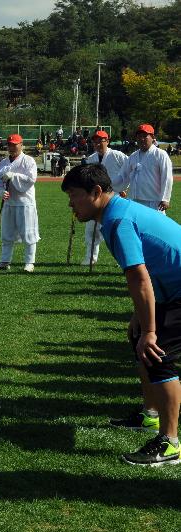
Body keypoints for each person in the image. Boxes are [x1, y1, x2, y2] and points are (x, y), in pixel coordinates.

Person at [62, 164, 181, 466]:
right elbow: (150, 269)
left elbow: (139, 277)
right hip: (172, 287)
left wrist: (151, 330)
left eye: (74, 196)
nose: (70, 204)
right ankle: (150, 414)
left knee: (157, 351)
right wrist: (139, 318)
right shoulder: (117, 213)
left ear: (96, 192)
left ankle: (170, 443)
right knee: (139, 337)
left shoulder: (118, 220)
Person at [0, 134, 39, 272]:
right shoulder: (3, 162)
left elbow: (31, 179)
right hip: (9, 203)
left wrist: (14, 176)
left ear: (21, 145)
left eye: (15, 144)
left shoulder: (28, 161)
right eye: (10, 145)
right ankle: (5, 261)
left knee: (28, 233)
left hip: (25, 202)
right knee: (7, 233)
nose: (12, 147)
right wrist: (1, 192)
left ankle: (29, 262)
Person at [81, 130, 129, 265]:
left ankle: (123, 259)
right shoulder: (91, 159)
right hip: (96, 199)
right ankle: (90, 257)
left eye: (101, 140)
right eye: (95, 141)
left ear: (107, 141)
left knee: (117, 230)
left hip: (115, 198)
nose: (97, 143)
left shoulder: (118, 155)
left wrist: (125, 188)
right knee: (91, 229)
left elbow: (129, 171)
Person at [122, 124, 173, 213]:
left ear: (152, 137)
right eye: (139, 136)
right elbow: (123, 175)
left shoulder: (160, 154)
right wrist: (115, 188)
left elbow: (167, 176)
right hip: (135, 200)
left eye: (145, 136)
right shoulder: (133, 156)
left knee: (155, 226)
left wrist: (165, 198)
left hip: (153, 201)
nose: (141, 139)